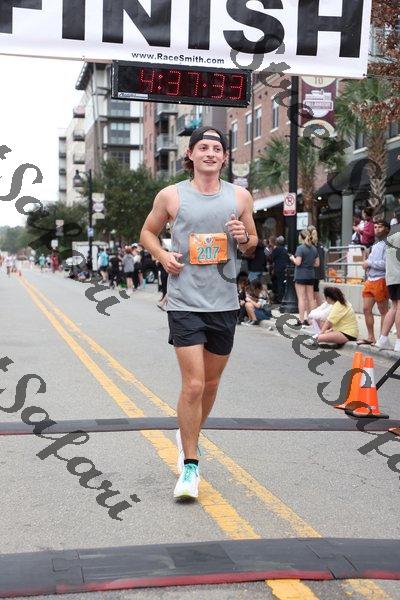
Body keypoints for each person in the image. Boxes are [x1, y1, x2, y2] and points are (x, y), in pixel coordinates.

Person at [140, 126, 257, 500]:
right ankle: (190, 464)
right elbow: (147, 233)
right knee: (193, 384)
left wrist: (243, 238)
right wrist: (162, 255)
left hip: (224, 302)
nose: (210, 153)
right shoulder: (171, 195)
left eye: (217, 148)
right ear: (190, 154)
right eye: (203, 147)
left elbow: (252, 244)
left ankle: (187, 433)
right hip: (185, 302)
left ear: (225, 157)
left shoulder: (240, 196)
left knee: (210, 384)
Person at [357, 220, 390, 346]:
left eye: (380, 227)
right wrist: (366, 265)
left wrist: (369, 263)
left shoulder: (389, 244)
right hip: (370, 280)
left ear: (387, 229)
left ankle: (382, 339)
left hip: (381, 280)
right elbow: (370, 261)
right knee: (366, 309)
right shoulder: (375, 245)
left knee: (383, 311)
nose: (376, 229)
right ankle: (371, 337)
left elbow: (386, 264)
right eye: (375, 227)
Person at [376, 213, 400, 352]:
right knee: (399, 308)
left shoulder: (391, 235)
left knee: (394, 307)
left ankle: (383, 339)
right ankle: (399, 342)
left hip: (391, 277)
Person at [289, 229, 319, 326]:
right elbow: (317, 264)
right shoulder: (314, 248)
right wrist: (309, 264)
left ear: (301, 237)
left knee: (301, 298)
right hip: (311, 275)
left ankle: (301, 320)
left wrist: (292, 258)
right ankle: (311, 320)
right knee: (311, 299)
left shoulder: (300, 248)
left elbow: (298, 262)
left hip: (300, 275)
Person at [308, 226, 325, 305]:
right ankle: (320, 307)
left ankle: (314, 308)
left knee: (310, 293)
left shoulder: (310, 246)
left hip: (312, 271)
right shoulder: (320, 245)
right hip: (319, 271)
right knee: (316, 290)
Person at [269, 236, 289, 303]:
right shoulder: (285, 249)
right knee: (283, 283)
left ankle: (280, 299)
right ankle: (282, 297)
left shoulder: (276, 249)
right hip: (285, 268)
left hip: (278, 269)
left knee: (279, 284)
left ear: (277, 242)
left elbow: (271, 258)